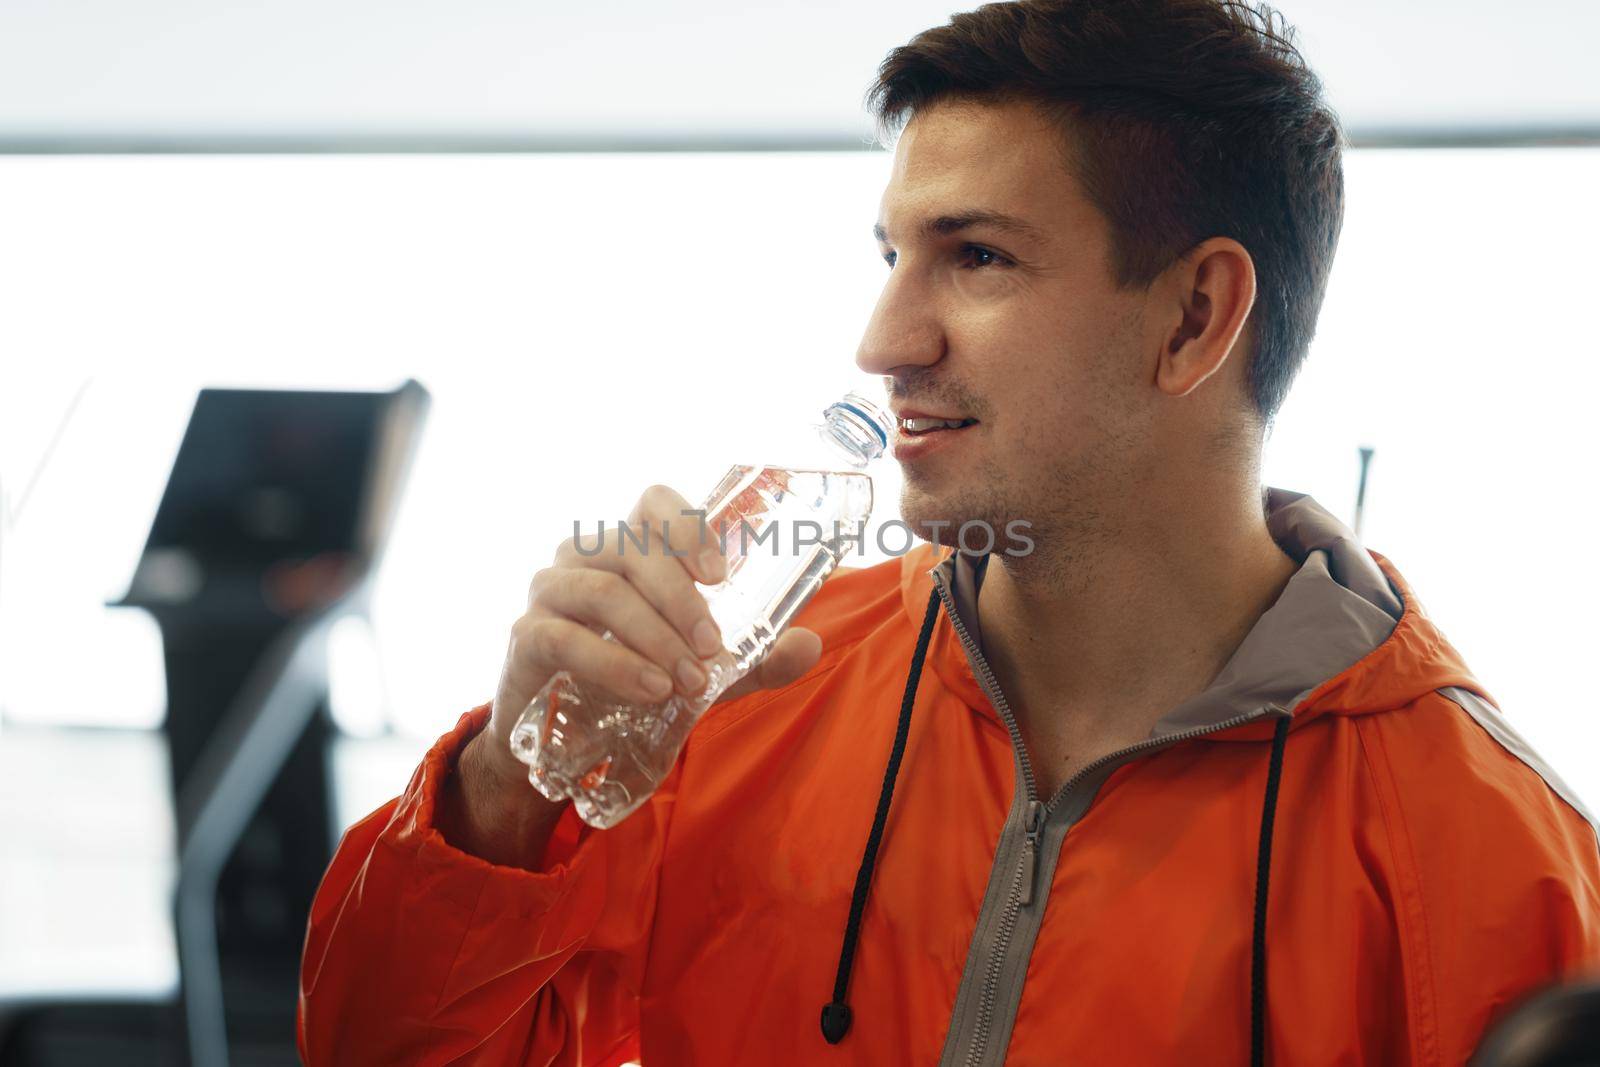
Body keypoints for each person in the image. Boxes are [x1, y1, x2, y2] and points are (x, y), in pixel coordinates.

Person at [296, 1, 1600, 1063]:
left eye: (976, 257)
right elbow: (373, 1050)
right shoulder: (730, 697)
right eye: (892, 255)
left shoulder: (1497, 863)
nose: (882, 344)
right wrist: (500, 798)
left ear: (1198, 317)